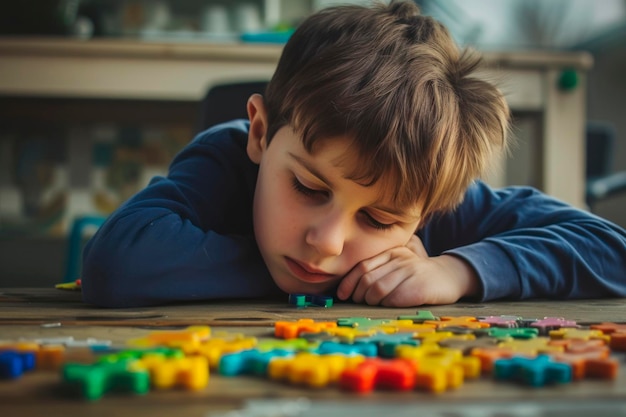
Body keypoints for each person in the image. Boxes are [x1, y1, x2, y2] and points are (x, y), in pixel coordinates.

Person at [81, 0, 626, 308]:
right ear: (261, 133)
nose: (327, 243)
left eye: (380, 220)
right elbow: (117, 263)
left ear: (425, 213)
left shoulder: (426, 185)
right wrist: (339, 286)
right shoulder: (225, 156)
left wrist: (457, 271)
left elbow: (612, 248)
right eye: (309, 188)